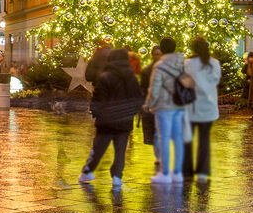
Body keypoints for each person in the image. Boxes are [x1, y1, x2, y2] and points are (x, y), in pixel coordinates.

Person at [79, 48, 143, 186]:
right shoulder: (131, 77)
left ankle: (87, 172)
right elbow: (138, 98)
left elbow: (98, 98)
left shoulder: (106, 76)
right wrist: (132, 112)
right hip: (125, 120)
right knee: (120, 150)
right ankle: (117, 177)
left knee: (99, 148)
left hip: (106, 120)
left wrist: (96, 113)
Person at [144, 37, 189, 184]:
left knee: (163, 139)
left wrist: (148, 103)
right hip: (179, 105)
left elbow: (154, 88)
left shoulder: (160, 66)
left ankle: (164, 173)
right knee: (177, 139)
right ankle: (177, 173)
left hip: (164, 106)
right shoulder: (182, 63)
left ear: (162, 49)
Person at [181, 37, 221, 182]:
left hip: (192, 107)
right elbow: (216, 81)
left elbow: (183, 83)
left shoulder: (188, 63)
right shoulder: (214, 63)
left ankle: (187, 171)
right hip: (208, 108)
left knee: (188, 139)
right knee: (204, 139)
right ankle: (203, 171)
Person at [139, 47, 162, 171]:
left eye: (160, 54)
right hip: (152, 104)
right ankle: (158, 155)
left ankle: (160, 155)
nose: (157, 56)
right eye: (156, 54)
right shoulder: (147, 71)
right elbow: (143, 88)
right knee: (155, 132)